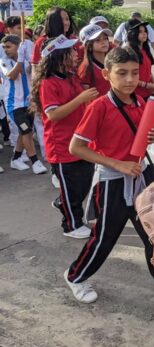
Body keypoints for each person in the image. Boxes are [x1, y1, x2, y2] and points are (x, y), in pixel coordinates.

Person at [63, 47, 154, 310]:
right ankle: (75, 276)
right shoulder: (99, 107)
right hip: (112, 182)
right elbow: (76, 147)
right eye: (121, 73)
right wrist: (117, 164)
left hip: (141, 177)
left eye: (134, 73)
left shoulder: (141, 102)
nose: (130, 79)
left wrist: (149, 139)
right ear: (106, 74)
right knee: (104, 238)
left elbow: (137, 137)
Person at [33, 35, 98, 238]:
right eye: (71, 52)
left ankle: (63, 203)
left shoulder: (71, 77)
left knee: (84, 183)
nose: (76, 54)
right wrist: (80, 99)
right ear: (59, 57)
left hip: (80, 141)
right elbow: (53, 114)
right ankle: (71, 225)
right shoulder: (48, 83)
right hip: (61, 145)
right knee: (71, 188)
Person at [0, 34, 47, 174]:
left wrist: (28, 54)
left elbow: (33, 72)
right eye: (4, 47)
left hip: (28, 102)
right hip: (13, 104)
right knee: (26, 130)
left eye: (9, 47)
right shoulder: (3, 61)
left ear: (19, 47)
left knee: (25, 131)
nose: (6, 50)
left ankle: (16, 158)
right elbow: (12, 75)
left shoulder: (25, 59)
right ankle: (35, 161)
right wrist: (20, 58)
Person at [124, 19, 154, 135]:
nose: (144, 34)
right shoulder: (128, 51)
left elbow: (148, 70)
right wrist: (147, 85)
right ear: (132, 34)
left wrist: (153, 83)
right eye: (140, 31)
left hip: (148, 94)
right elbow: (128, 77)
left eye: (145, 31)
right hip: (135, 96)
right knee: (143, 131)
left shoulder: (144, 49)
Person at [77, 24, 113, 95]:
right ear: (89, 45)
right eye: (97, 40)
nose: (103, 42)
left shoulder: (111, 62)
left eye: (105, 38)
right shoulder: (86, 67)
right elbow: (84, 97)